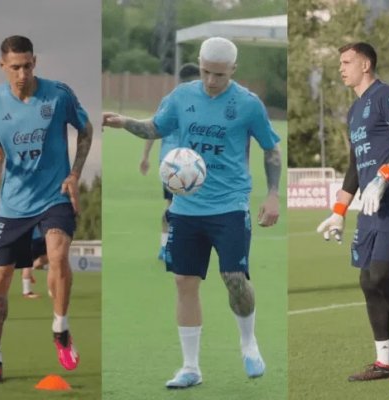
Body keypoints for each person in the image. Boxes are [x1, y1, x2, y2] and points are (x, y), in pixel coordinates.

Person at [103, 37, 281, 389]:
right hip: (185, 208)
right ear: (198, 64)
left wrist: (273, 194)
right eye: (205, 72)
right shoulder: (182, 97)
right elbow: (155, 127)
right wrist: (124, 122)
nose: (211, 80)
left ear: (233, 69)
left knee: (234, 277)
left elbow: (271, 149)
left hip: (229, 204)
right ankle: (190, 367)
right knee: (184, 283)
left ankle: (248, 341)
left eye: (219, 74)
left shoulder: (248, 105)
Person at [0, 35, 93, 384]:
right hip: (13, 205)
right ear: (2, 66)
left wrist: (74, 174)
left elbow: (85, 131)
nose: (23, 73)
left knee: (57, 255)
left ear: (35, 62)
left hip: (54, 195)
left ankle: (60, 328)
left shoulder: (58, 94)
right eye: (15, 67)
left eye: (28, 65)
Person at [317, 42, 389, 385]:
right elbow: (355, 168)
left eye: (346, 62)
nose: (341, 68)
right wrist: (338, 211)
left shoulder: (388, 97)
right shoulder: (354, 112)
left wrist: (386, 176)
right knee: (367, 280)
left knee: (382, 274)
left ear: (366, 64)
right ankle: (384, 362)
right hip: (369, 208)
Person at [139, 63, 200, 261]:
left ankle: (165, 247)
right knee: (186, 205)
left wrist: (146, 156)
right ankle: (178, 247)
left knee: (172, 204)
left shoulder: (169, 99)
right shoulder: (200, 100)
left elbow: (153, 128)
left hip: (168, 161)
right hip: (185, 161)